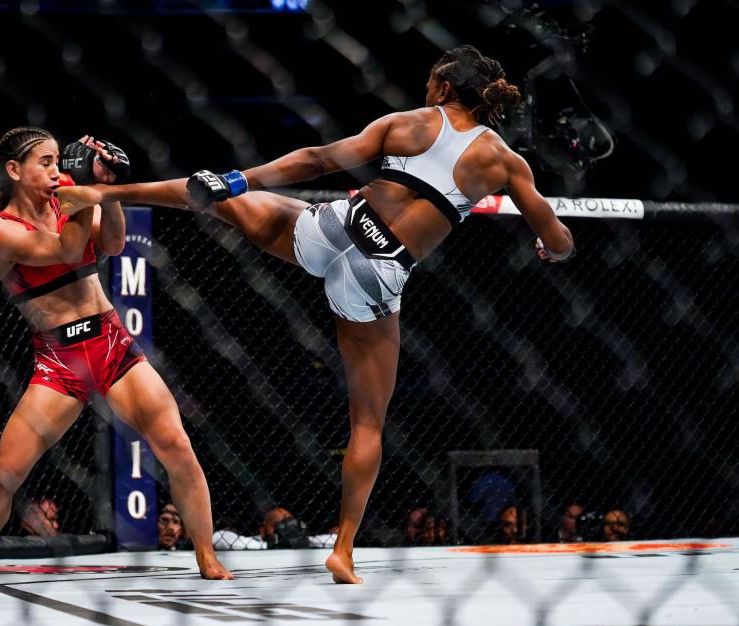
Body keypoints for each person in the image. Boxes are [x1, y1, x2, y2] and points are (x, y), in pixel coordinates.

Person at [58, 45, 575, 583]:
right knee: (368, 421)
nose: (425, 90)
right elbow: (557, 236)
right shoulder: (505, 162)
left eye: (429, 83)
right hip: (378, 272)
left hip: (339, 226)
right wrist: (551, 248)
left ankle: (103, 191)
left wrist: (239, 180)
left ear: (445, 89)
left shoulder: (416, 122)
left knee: (219, 199)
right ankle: (344, 548)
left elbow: (319, 159)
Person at [0, 128, 231, 580]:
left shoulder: (67, 203)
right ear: (14, 170)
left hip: (113, 343)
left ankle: (206, 556)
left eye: (60, 160)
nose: (57, 170)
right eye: (45, 162)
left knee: (177, 445)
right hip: (60, 360)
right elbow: (67, 249)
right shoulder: (1, 232)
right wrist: (86, 190)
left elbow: (113, 244)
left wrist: (108, 190)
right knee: (5, 472)